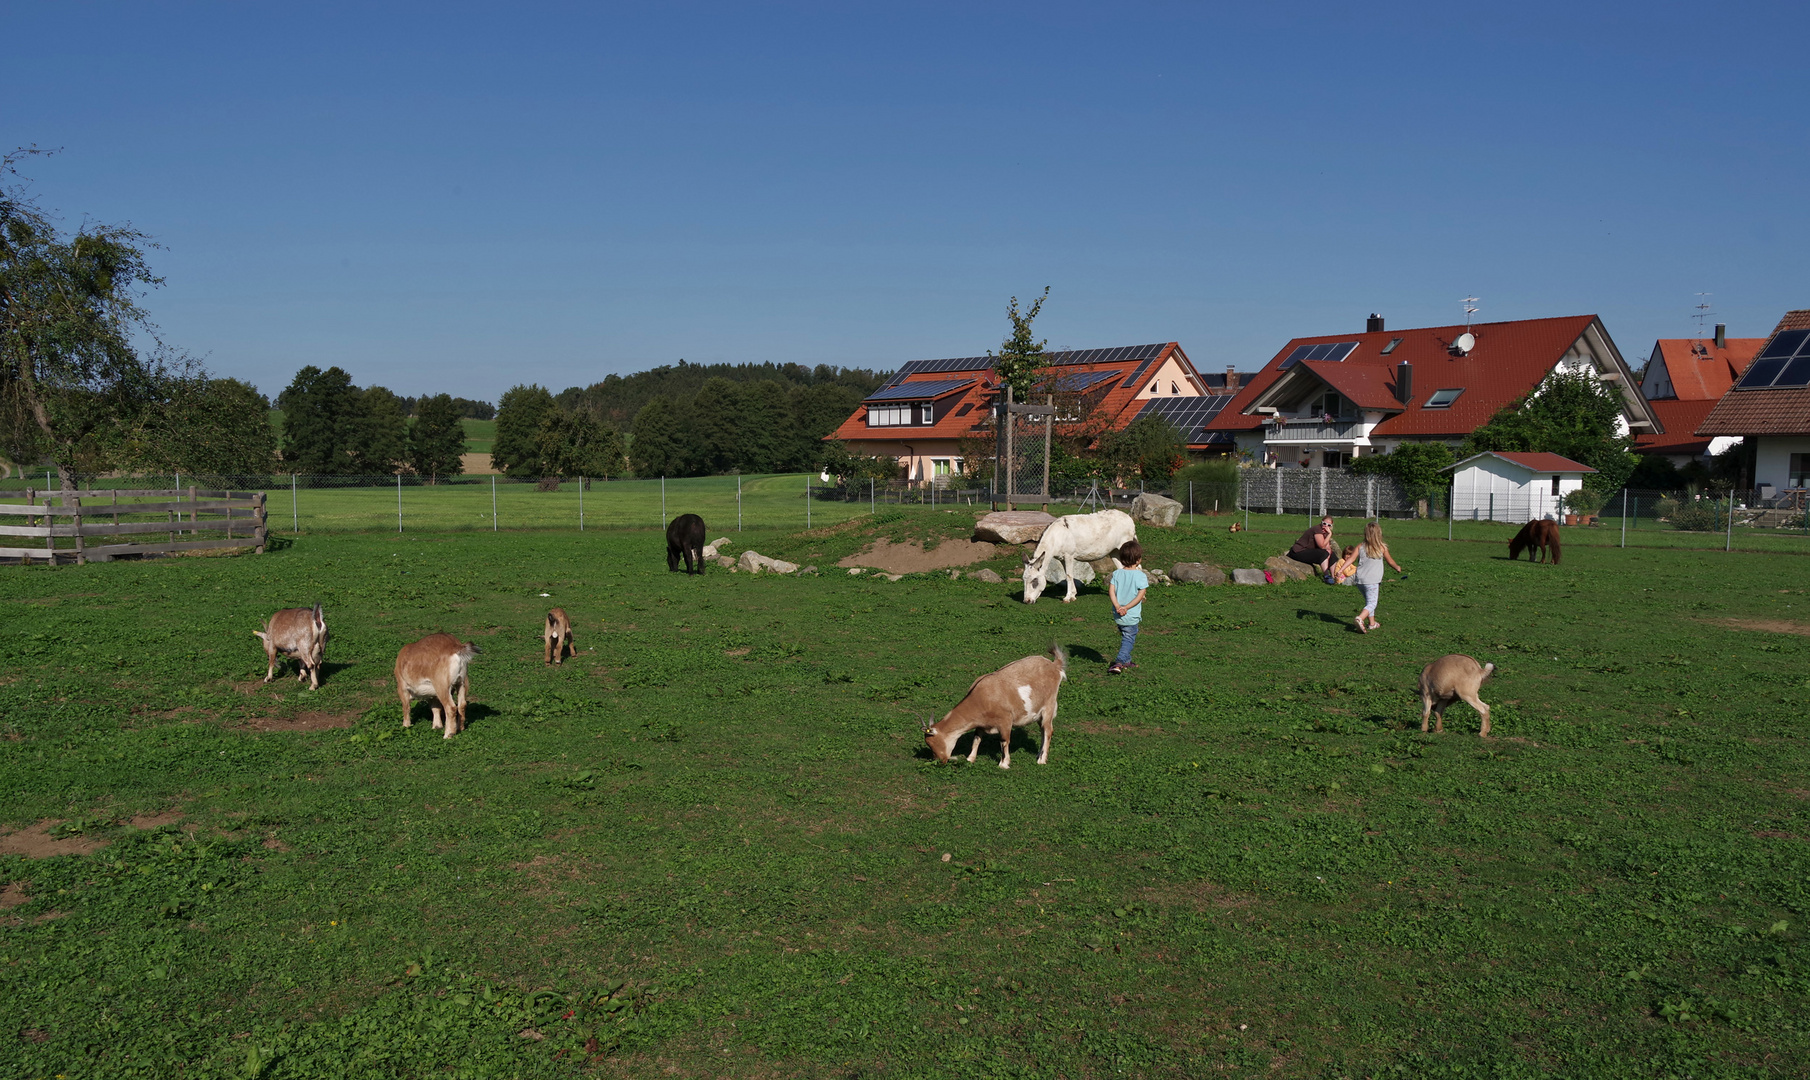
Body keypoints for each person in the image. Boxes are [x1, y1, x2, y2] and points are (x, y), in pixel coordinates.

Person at [1332, 519, 1404, 633]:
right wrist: (1397, 567)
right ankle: (1360, 618)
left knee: (1369, 601)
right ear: (1379, 534)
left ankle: (1372, 623)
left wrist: (1341, 570)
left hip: (1360, 581)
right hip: (1372, 581)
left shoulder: (1360, 546)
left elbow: (1351, 559)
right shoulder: (1382, 547)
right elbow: (1390, 561)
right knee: (1372, 603)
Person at [1106, 539, 1148, 675]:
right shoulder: (1140, 576)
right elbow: (1140, 595)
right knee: (1129, 639)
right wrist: (1126, 608)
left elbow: (1111, 591)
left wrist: (1118, 606)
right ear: (1138, 560)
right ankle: (1119, 662)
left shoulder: (1117, 574)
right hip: (1130, 615)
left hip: (1118, 614)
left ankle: (1127, 661)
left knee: (1125, 636)